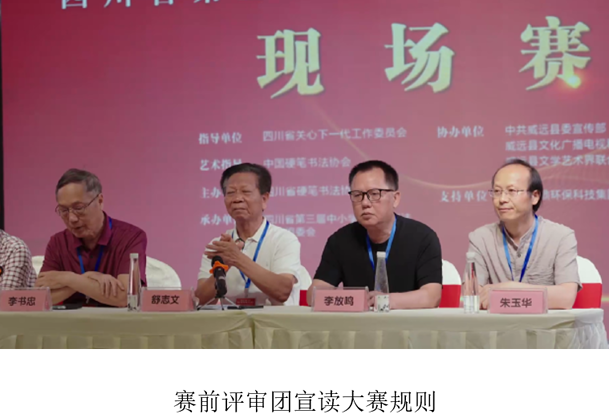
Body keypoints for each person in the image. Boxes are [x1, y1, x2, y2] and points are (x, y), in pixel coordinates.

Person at [308, 160, 442, 309]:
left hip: (407, 323)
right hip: (357, 323)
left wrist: (387, 300)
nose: (365, 203)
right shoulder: (340, 241)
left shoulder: (422, 238)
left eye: (374, 194)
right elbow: (313, 295)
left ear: (395, 198)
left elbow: (431, 297)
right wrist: (354, 300)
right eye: (357, 195)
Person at [468, 159, 580, 310]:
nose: (502, 199)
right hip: (498, 324)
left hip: (545, 325)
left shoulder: (561, 237)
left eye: (512, 191)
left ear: (535, 196)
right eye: (497, 191)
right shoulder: (480, 238)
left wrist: (510, 288)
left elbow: (565, 298)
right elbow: (473, 297)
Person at [196, 163, 311, 306]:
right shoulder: (219, 245)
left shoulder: (284, 239)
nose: (237, 199)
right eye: (231, 192)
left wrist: (237, 259)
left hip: (274, 319)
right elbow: (200, 301)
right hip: (232, 320)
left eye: (246, 192)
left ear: (264, 199)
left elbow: (282, 292)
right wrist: (222, 267)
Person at [36, 169, 147, 307]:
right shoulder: (58, 242)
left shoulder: (131, 237)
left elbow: (126, 297)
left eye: (79, 208)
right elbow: (41, 297)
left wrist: (68, 279)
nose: (72, 218)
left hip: (116, 320)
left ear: (100, 201)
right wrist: (86, 278)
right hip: (71, 320)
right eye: (64, 210)